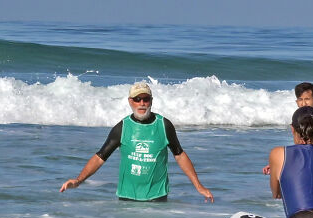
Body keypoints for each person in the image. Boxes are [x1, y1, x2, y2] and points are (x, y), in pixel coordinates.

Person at [60, 82, 214, 202]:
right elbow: (100, 157)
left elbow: (179, 155)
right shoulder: (123, 127)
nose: (142, 103)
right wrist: (78, 181)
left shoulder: (163, 125)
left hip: (157, 198)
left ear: (151, 101)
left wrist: (198, 186)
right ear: (130, 101)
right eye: (137, 99)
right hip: (127, 198)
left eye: (145, 99)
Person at [263, 82, 313, 175]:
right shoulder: (301, 120)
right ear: (296, 102)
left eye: (307, 99)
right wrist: (279, 164)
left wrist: (285, 166)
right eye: (300, 99)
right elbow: (301, 150)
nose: (303, 103)